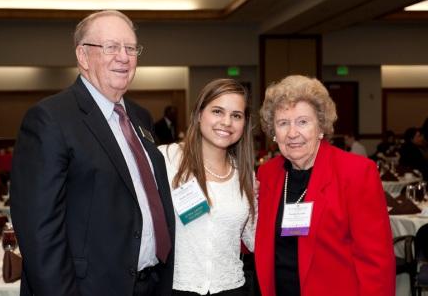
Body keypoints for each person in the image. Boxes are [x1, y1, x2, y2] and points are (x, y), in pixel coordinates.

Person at [10, 10, 175, 296]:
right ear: (83, 56)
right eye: (111, 47)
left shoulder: (141, 117)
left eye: (131, 48)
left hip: (151, 284)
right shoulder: (50, 118)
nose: (124, 57)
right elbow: (40, 233)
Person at [255, 75, 395, 296]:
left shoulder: (356, 172)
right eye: (283, 123)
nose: (292, 133)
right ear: (273, 132)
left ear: (321, 126)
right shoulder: (267, 175)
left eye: (303, 122)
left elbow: (377, 263)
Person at [158, 78, 257, 295]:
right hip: (177, 287)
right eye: (218, 111)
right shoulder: (167, 158)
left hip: (232, 288)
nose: (227, 122)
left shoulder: (244, 175)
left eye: (236, 116)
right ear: (199, 114)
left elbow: (253, 239)